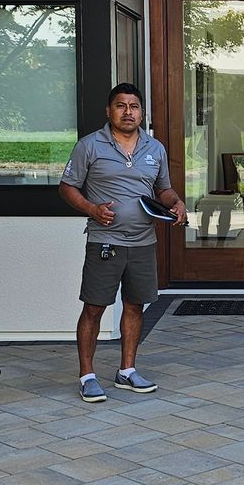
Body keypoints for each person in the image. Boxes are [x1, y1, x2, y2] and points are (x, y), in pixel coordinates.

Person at [59, 83, 186, 402]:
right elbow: (67, 187)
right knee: (94, 308)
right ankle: (86, 375)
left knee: (135, 305)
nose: (128, 111)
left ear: (141, 112)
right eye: (121, 105)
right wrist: (91, 209)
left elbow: (163, 190)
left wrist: (176, 202)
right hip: (105, 241)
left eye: (134, 106)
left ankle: (126, 370)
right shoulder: (89, 145)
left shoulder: (155, 148)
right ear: (109, 111)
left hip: (143, 242)